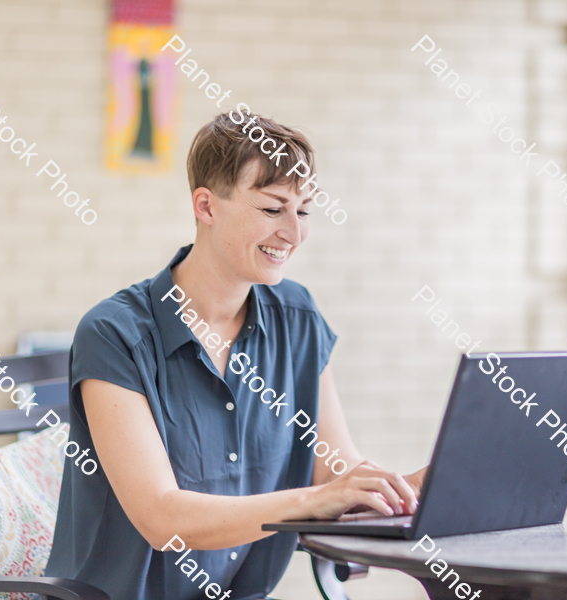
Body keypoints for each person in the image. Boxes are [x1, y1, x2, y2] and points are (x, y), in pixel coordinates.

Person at [44, 113, 426, 600]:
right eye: (272, 209)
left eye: (303, 211)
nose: (293, 233)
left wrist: (410, 487)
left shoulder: (297, 318)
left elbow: (333, 473)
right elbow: (163, 520)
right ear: (206, 205)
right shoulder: (114, 334)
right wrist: (318, 499)